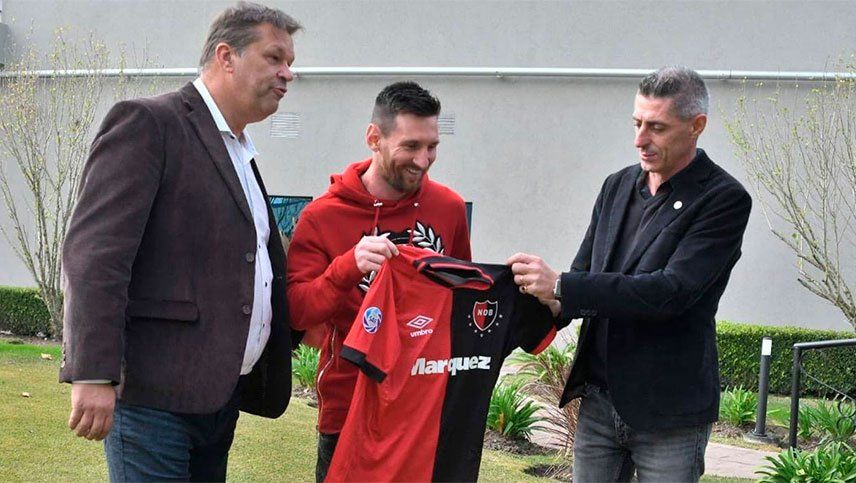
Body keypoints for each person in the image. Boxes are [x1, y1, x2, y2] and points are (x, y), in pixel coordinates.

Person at [59, 3, 301, 481]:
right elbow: (96, 255)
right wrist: (93, 373)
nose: (287, 73)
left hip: (218, 400)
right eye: (274, 58)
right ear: (226, 56)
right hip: (153, 401)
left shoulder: (240, 151)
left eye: (290, 62)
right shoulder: (149, 123)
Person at [508, 66, 752, 482]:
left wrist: (563, 286)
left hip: (670, 413)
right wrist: (533, 296)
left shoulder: (723, 199)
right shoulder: (616, 186)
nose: (640, 139)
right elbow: (584, 275)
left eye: (657, 127)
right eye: (637, 123)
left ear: (697, 126)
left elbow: (669, 292)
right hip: (599, 404)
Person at [286, 81, 472, 482]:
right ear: (374, 138)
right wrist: (347, 267)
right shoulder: (322, 216)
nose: (423, 160)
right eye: (411, 146)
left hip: (422, 410)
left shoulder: (450, 208)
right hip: (349, 407)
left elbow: (460, 303)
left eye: (432, 146)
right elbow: (298, 310)